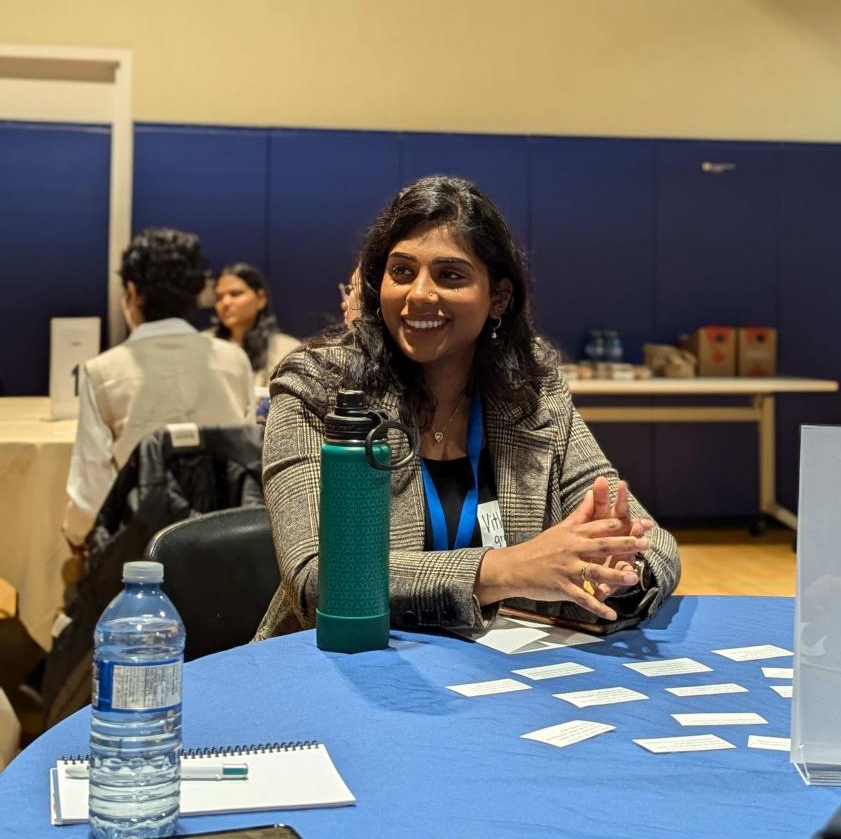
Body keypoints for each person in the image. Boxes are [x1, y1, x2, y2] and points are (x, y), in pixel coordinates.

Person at [256, 176, 679, 640]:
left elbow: (651, 541)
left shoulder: (532, 390)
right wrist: (506, 569)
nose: (419, 294)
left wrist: (619, 569)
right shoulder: (318, 385)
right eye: (402, 272)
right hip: (338, 659)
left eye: (450, 275)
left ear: (498, 298)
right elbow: (318, 577)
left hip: (495, 664)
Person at [63, 228, 256, 548]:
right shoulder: (234, 360)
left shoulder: (101, 372)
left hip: (140, 553)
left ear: (133, 292)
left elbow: (90, 497)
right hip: (224, 547)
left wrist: (74, 535)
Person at [211, 263, 299, 390]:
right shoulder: (205, 344)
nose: (225, 302)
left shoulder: (287, 350)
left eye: (235, 294)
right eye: (219, 297)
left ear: (261, 298)